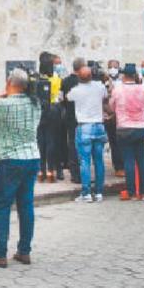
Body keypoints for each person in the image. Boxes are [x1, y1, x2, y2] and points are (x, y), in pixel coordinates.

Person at [0, 68, 42, 268]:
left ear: (10, 83)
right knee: (26, 205)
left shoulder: (4, 104)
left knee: (2, 206)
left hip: (9, 160)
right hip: (31, 158)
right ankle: (24, 251)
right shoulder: (36, 103)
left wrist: (2, 94)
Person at [66, 66, 108, 203]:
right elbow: (106, 93)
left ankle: (86, 193)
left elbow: (67, 97)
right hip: (99, 125)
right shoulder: (99, 87)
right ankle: (99, 192)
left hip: (84, 126)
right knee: (99, 161)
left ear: (79, 77)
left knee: (84, 161)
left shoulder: (76, 90)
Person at [109, 64, 144, 200]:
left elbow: (112, 106)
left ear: (123, 75)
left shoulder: (117, 89)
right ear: (135, 75)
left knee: (128, 160)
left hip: (124, 127)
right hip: (141, 127)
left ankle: (131, 192)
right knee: (142, 160)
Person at [35, 52, 62, 183]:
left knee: (40, 141)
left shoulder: (36, 79)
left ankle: (41, 171)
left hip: (40, 110)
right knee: (51, 140)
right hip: (53, 109)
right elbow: (59, 95)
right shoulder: (56, 78)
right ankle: (51, 170)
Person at [61, 57, 84, 184]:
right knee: (83, 146)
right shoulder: (84, 81)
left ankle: (74, 172)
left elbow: (62, 99)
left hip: (70, 116)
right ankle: (82, 172)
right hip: (83, 117)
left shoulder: (65, 81)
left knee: (72, 144)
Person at [104, 59, 125, 178]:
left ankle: (123, 165)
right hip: (110, 117)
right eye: (110, 67)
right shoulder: (105, 82)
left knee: (121, 142)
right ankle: (118, 167)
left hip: (121, 116)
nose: (112, 69)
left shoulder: (122, 81)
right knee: (113, 142)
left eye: (115, 67)